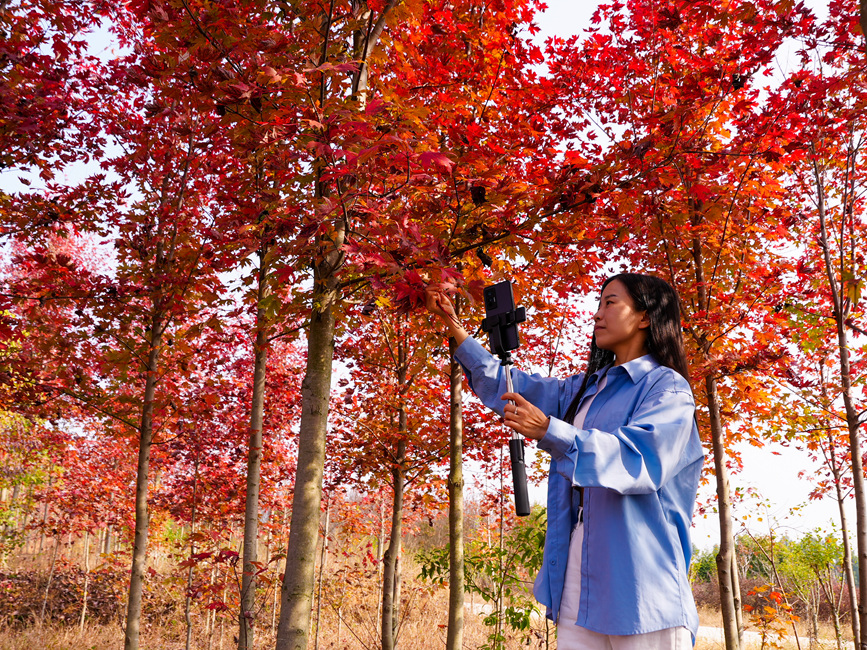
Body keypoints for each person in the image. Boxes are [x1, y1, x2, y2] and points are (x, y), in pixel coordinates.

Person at [425, 273, 704, 649]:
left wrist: (549, 430)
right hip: (580, 578)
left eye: (611, 303)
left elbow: (639, 459)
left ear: (645, 317)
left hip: (642, 585)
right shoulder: (587, 388)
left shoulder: (666, 387)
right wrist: (453, 325)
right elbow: (512, 386)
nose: (598, 314)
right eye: (599, 303)